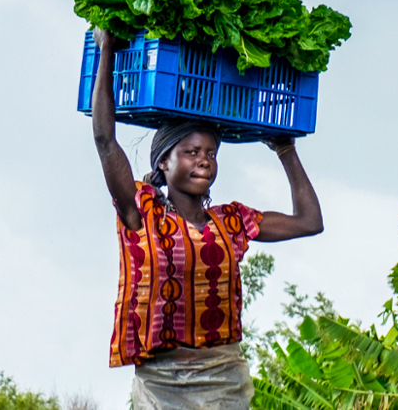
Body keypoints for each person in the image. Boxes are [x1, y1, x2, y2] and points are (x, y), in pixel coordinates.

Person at [91, 28, 323, 410]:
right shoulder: (141, 213)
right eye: (192, 151)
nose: (204, 160)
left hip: (223, 380)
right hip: (160, 383)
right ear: (163, 162)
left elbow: (309, 221)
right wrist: (106, 52)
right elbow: (104, 140)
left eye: (211, 153)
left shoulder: (231, 222)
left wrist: (285, 150)